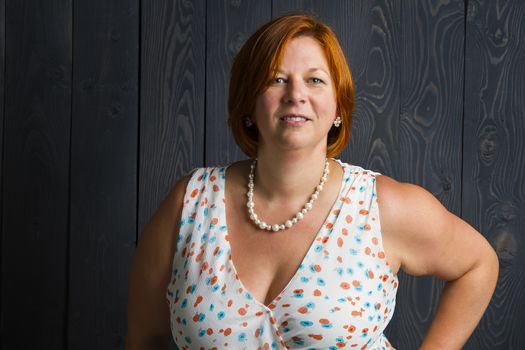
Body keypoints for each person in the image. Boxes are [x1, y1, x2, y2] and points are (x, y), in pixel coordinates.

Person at [126, 13, 499, 349]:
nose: (296, 95)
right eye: (276, 79)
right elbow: (145, 339)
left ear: (338, 106)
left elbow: (478, 264)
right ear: (250, 104)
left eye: (315, 80)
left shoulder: (380, 207)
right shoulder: (189, 204)